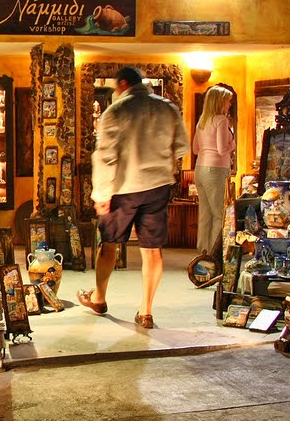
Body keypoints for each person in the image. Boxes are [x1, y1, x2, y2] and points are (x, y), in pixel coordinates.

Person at [77, 67, 189, 329]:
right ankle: (146, 312)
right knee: (152, 251)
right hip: (158, 186)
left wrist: (101, 195)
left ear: (123, 84)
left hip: (123, 188)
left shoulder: (115, 111)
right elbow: (182, 146)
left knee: (109, 245)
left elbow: (106, 156)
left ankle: (99, 298)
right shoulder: (167, 108)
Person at [192, 85, 236, 261]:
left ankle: (202, 250)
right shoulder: (221, 120)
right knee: (219, 213)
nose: (229, 105)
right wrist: (233, 144)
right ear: (220, 102)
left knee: (205, 213)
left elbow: (195, 149)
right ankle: (215, 253)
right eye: (228, 101)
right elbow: (221, 149)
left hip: (200, 168)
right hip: (216, 170)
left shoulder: (202, 120)